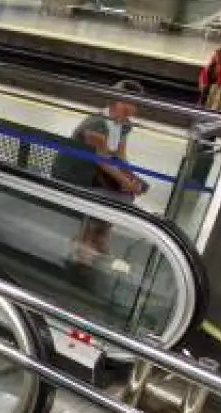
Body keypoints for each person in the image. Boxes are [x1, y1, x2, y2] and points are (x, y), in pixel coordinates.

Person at [51, 79, 150, 281]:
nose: (130, 108)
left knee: (124, 195)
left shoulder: (125, 125)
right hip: (75, 174)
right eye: (125, 102)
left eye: (134, 103)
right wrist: (125, 181)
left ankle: (96, 241)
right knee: (113, 197)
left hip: (95, 173)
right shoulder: (96, 125)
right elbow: (103, 160)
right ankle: (85, 248)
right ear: (113, 100)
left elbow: (120, 157)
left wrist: (133, 178)